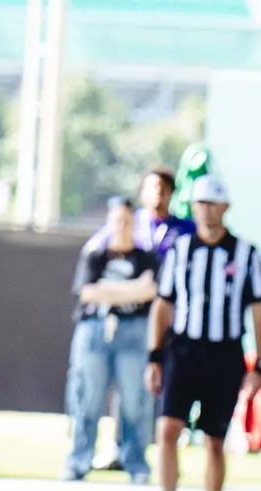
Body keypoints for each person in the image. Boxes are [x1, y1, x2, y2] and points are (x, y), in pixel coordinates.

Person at [145, 175, 261, 491]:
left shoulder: (246, 253)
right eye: (200, 203)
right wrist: (155, 356)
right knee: (168, 429)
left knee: (215, 439)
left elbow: (258, 309)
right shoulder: (180, 250)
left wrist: (257, 365)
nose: (206, 210)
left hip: (224, 352)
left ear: (225, 207)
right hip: (183, 350)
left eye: (213, 203)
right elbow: (163, 305)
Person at [88, 167, 193, 472]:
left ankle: (150, 449)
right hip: (131, 315)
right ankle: (117, 447)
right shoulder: (129, 223)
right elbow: (95, 251)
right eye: (152, 188)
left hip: (171, 317)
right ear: (142, 192)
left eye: (164, 188)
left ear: (172, 193)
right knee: (126, 384)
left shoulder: (182, 229)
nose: (158, 194)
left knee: (157, 384)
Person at [64, 197, 158, 483]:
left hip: (134, 331)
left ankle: (136, 463)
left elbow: (151, 291)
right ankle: (79, 460)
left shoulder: (146, 257)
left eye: (127, 221)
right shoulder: (95, 254)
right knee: (87, 399)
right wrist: (132, 289)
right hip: (95, 330)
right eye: (117, 220)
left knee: (134, 402)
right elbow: (88, 292)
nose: (122, 226)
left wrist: (109, 289)